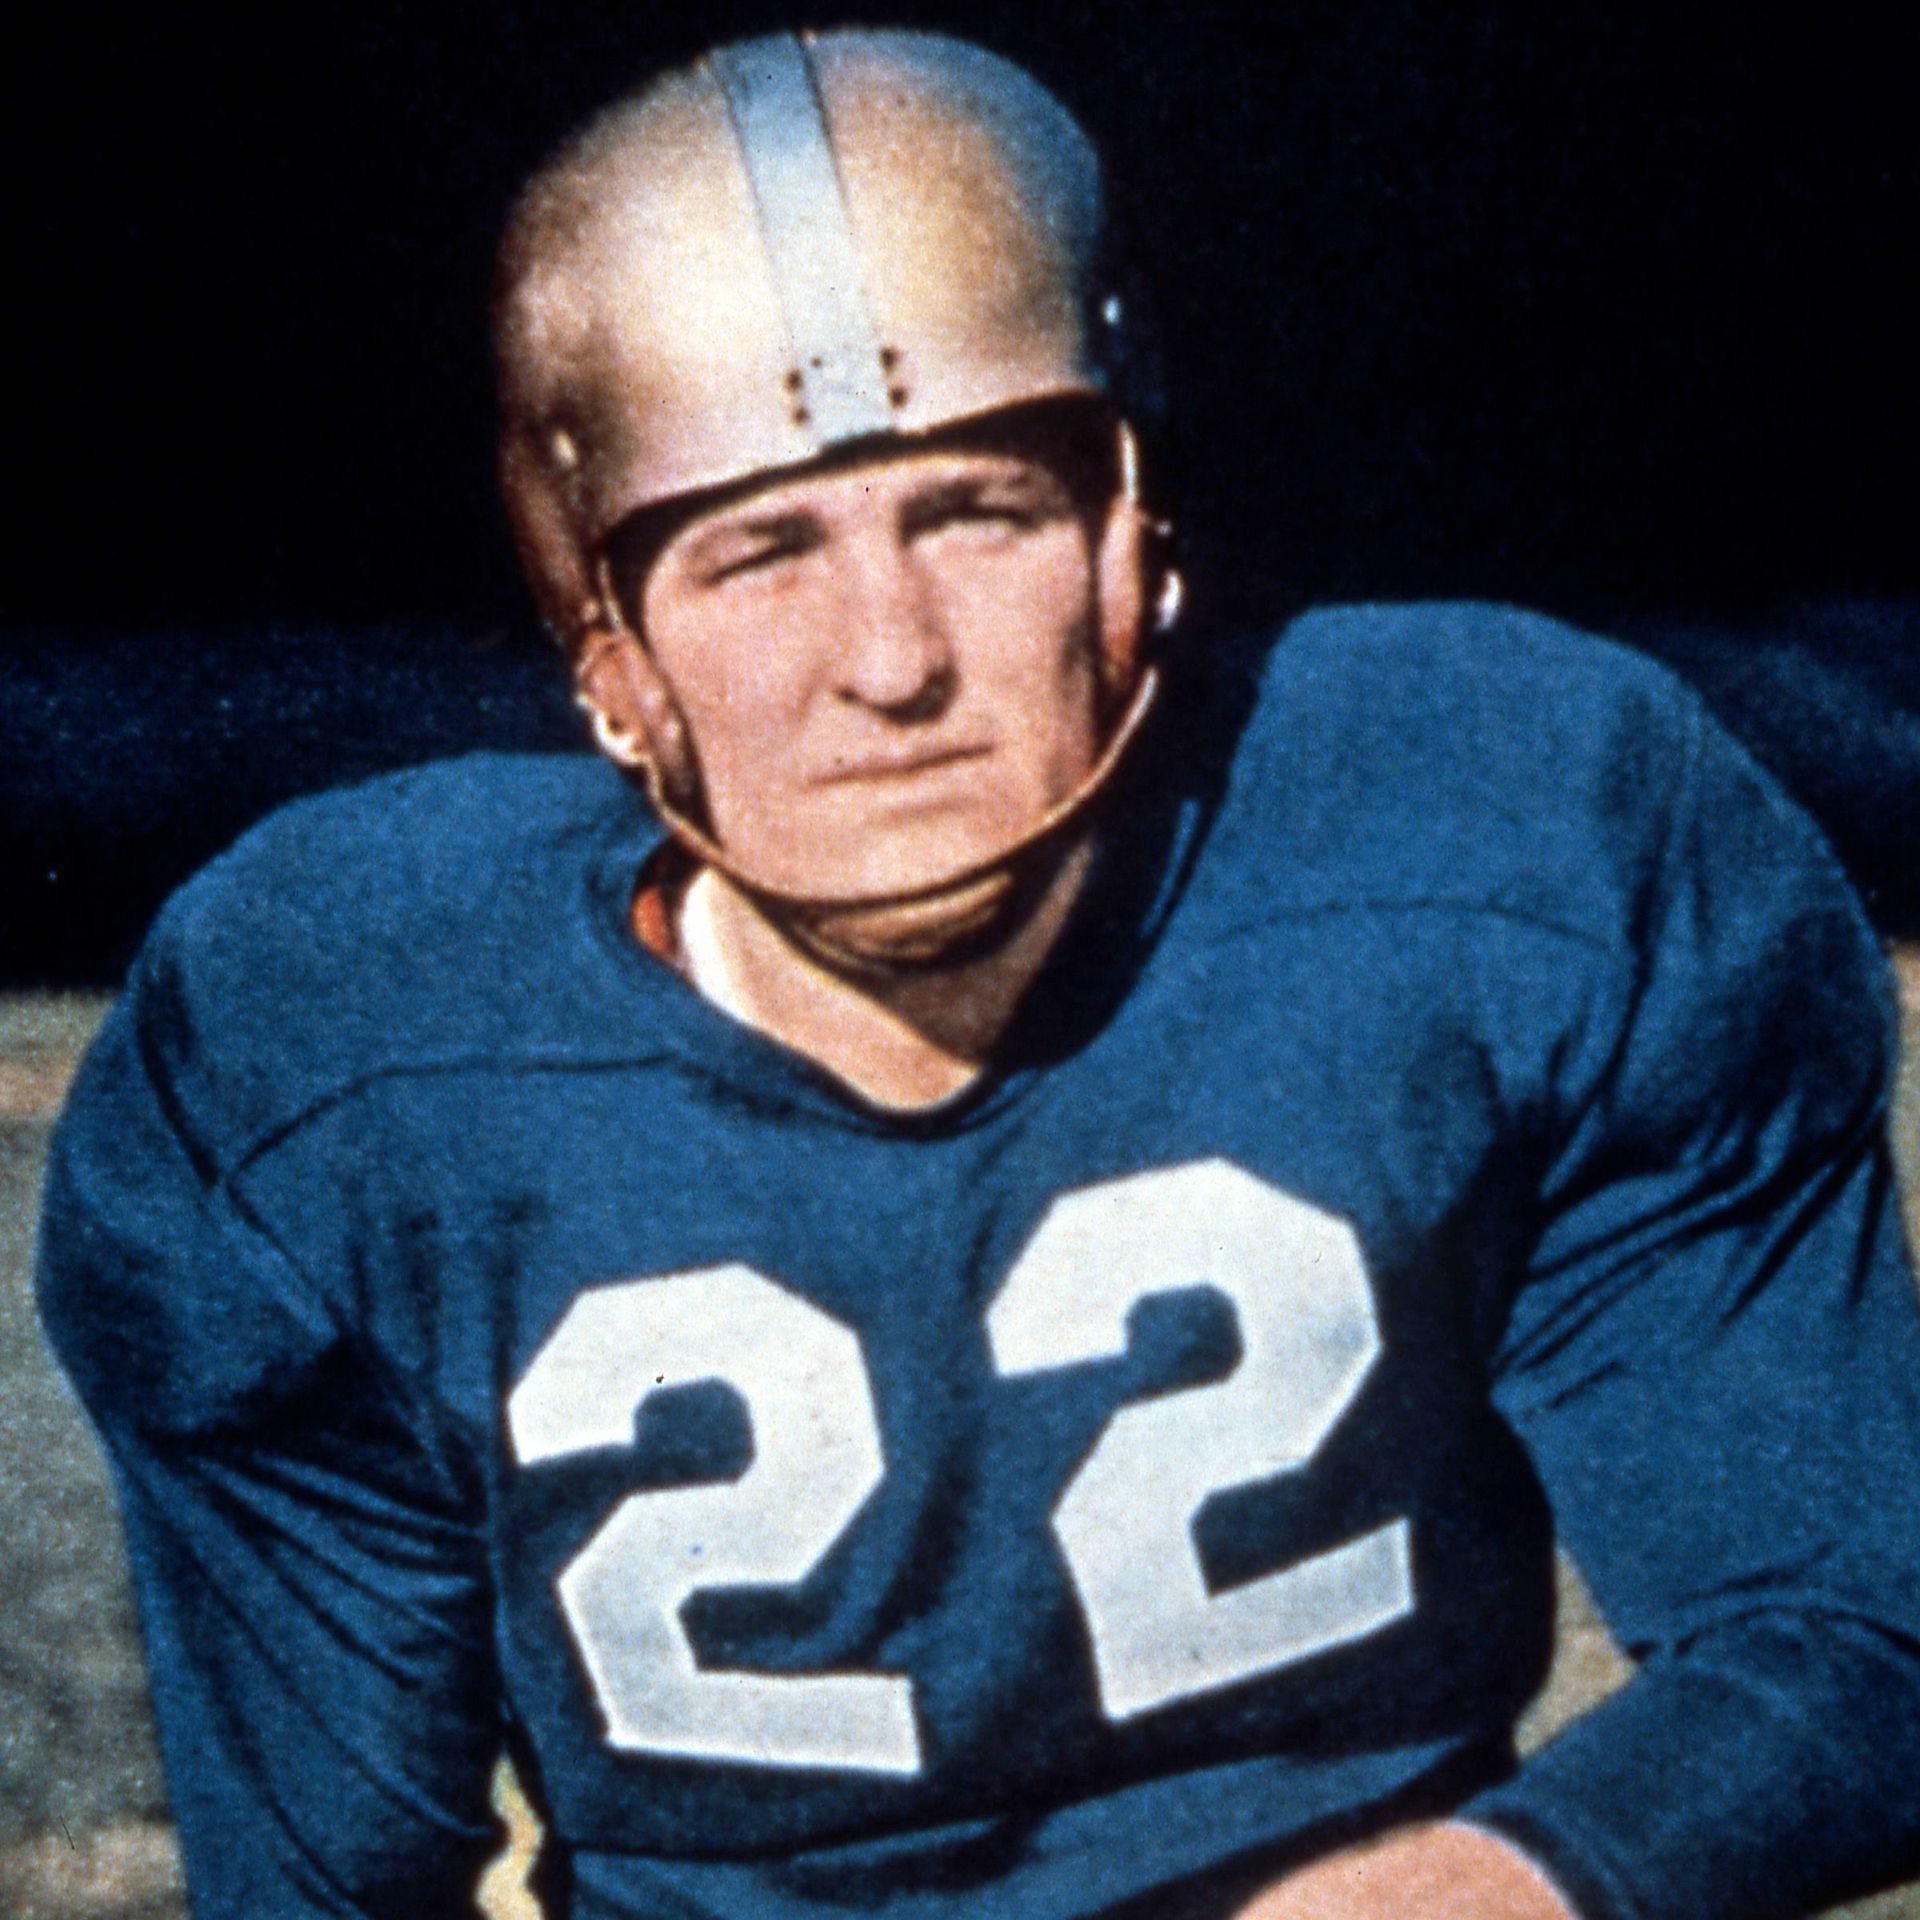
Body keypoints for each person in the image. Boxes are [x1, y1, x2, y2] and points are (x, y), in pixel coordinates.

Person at [37, 26, 1920, 1920]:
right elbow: (328, 1894)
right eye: (761, 555)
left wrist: (1500, 1888)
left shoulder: (1517, 847)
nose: (891, 660)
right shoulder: (326, 1069)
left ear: (1132, 533)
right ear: (607, 647)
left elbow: (1857, 1628)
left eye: (977, 514)